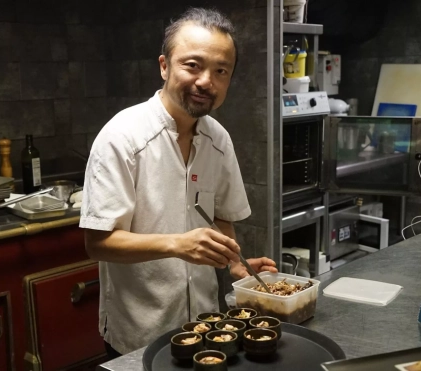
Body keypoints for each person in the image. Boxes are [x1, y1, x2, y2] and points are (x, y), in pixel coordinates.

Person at [80, 7, 277, 358]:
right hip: (139, 330)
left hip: (206, 325)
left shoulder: (218, 140)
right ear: (164, 66)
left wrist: (233, 264)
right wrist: (176, 244)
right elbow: (98, 243)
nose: (206, 81)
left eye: (221, 71)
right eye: (192, 65)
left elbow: (220, 218)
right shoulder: (122, 138)